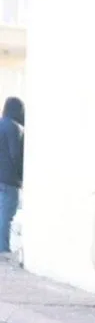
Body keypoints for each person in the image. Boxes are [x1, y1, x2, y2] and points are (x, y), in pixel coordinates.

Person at [0, 96, 24, 255]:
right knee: (5, 216)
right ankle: (2, 250)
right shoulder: (14, 128)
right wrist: (22, 176)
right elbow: (15, 155)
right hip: (9, 179)